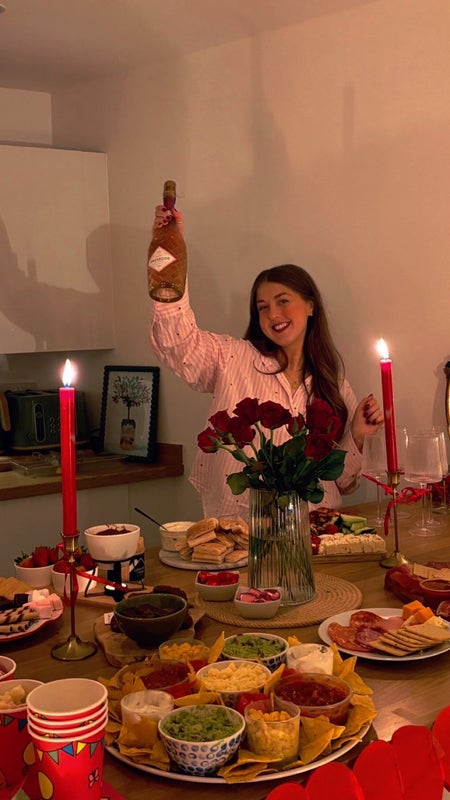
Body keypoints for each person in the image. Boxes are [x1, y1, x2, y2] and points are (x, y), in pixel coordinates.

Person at [150, 205, 384, 519]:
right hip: (241, 534)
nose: (273, 314)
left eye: (283, 301)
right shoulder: (231, 357)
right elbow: (177, 342)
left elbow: (342, 482)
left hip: (317, 534)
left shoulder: (333, 383)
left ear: (311, 306)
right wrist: (170, 249)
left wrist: (357, 433)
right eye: (263, 307)